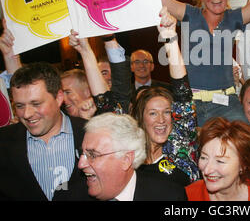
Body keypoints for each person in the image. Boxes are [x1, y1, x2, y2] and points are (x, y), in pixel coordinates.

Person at [0, 62, 91, 201]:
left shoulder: (90, 133)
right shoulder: (4, 142)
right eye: (19, 106)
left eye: (36, 104)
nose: (27, 114)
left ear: (59, 97)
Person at [130, 7, 199, 184]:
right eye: (153, 113)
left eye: (167, 112)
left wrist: (170, 40)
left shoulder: (180, 144)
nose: (161, 119)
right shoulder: (129, 158)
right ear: (141, 118)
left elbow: (182, 93)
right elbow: (104, 100)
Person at [77, 112, 187, 201]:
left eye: (92, 155)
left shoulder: (169, 197)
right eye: (82, 153)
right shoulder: (70, 196)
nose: (81, 164)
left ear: (126, 160)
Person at [185, 117, 250, 201]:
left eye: (220, 161)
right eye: (204, 158)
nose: (207, 170)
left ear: (243, 165)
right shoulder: (186, 196)